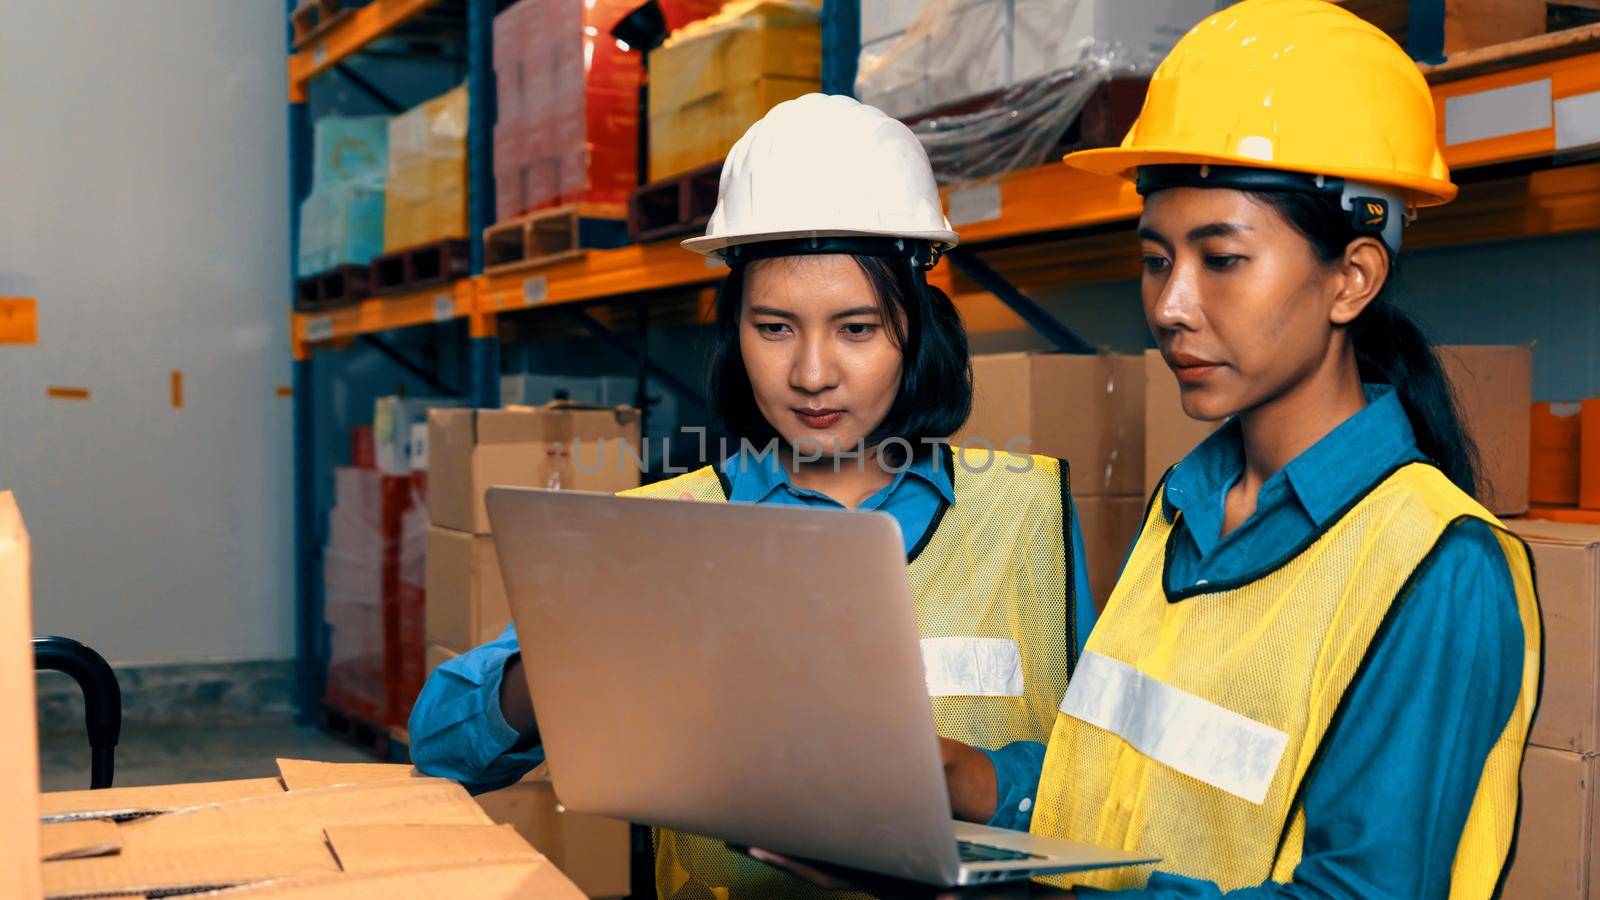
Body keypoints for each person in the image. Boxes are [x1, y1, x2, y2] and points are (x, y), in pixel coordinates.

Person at [408, 93, 1100, 899]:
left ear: (921, 332)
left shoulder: (1028, 511)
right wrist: (565, 662)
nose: (811, 374)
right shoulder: (668, 529)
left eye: (858, 329)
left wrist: (968, 777)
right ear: (735, 334)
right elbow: (440, 746)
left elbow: (1101, 778)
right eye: (774, 328)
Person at [936, 2, 1543, 897]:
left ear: (1352, 278)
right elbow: (1118, 793)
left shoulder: (1437, 568)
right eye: (1155, 260)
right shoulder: (1187, 505)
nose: (1172, 306)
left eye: (1220, 259)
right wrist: (959, 781)